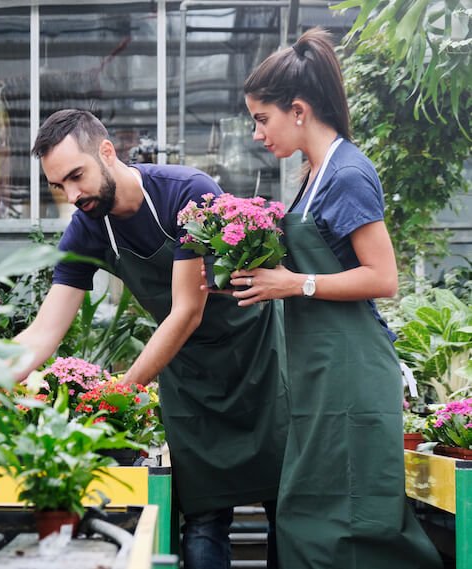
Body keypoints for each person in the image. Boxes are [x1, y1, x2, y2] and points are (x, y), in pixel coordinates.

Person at [15, 109, 288, 569]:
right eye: (60, 186)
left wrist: (121, 391)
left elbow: (187, 310)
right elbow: (44, 330)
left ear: (106, 151)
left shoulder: (186, 192)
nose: (73, 195)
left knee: (284, 507)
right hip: (187, 373)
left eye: (77, 176)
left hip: (255, 359)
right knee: (204, 515)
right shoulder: (87, 227)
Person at [231, 28, 442, 569]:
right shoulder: (312, 175)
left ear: (297, 110)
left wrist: (293, 283)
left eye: (262, 118)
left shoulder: (347, 173)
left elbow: (384, 276)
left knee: (349, 522)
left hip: (349, 371)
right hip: (318, 372)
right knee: (308, 513)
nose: (257, 134)